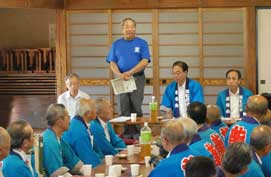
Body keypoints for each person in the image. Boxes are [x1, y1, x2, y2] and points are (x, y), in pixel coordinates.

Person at [106, 17, 150, 117]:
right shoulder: (116, 44)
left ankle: (137, 132)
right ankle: (125, 132)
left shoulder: (142, 43)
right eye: (127, 27)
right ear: (122, 29)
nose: (129, 29)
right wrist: (119, 74)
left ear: (135, 28)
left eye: (132, 27)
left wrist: (130, 72)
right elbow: (112, 62)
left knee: (136, 106)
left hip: (137, 77)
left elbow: (144, 61)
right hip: (121, 78)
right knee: (123, 106)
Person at [43, 103, 85, 177]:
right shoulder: (49, 141)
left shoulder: (59, 139)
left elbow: (72, 161)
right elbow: (56, 172)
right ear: (59, 121)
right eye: (68, 116)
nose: (70, 119)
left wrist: (87, 171)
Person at [62, 98, 103, 168]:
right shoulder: (79, 131)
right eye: (94, 109)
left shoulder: (79, 123)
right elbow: (88, 159)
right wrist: (102, 167)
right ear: (87, 114)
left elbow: (94, 150)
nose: (96, 111)